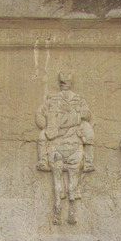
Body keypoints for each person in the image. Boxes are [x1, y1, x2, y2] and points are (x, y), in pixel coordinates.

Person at [35, 72, 95, 225]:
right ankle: (42, 161)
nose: (65, 84)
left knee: (88, 132)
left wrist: (77, 115)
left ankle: (89, 161)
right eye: (63, 82)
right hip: (57, 134)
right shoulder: (52, 98)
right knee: (41, 136)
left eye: (67, 82)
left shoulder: (78, 99)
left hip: (74, 130)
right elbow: (39, 114)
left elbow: (87, 114)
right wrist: (48, 127)